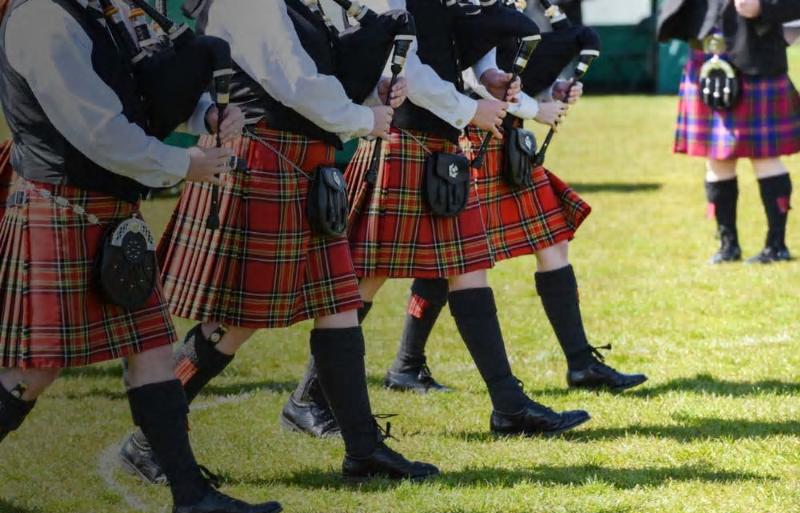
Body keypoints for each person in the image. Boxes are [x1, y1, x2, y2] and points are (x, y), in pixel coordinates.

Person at [118, 0, 439, 486]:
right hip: (263, 159)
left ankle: (363, 450)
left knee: (339, 305)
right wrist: (361, 118)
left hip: (305, 164)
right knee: (233, 322)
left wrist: (371, 93)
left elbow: (321, 71)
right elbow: (294, 83)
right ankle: (149, 441)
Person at [0, 0, 283, 513]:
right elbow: (99, 130)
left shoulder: (100, 10)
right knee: (32, 371)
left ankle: (193, 500)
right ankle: (193, 498)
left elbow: (139, 89)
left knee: (152, 352)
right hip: (60, 208)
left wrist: (207, 114)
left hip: (108, 210)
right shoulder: (43, 19)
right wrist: (181, 163)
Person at [281, 0, 592, 440]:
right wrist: (469, 110)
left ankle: (509, 406)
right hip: (403, 136)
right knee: (367, 276)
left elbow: (454, 38)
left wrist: (488, 75)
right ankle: (308, 399)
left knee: (469, 269)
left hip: (439, 141)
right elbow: (408, 66)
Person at [381, 0, 648, 396]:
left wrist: (550, 88)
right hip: (474, 129)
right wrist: (537, 108)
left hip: (502, 130)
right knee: (451, 257)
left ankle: (581, 363)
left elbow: (497, 64)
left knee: (549, 242)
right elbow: (465, 71)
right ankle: (406, 364)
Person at [660, 0, 800, 264]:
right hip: (705, 59)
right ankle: (728, 246)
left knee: (765, 157)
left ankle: (776, 245)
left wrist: (763, 6)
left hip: (756, 59)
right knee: (717, 159)